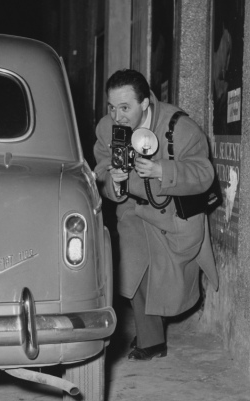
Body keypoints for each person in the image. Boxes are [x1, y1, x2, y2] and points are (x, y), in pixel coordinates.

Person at [93, 69, 218, 361]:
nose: (117, 116)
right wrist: (114, 180)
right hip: (134, 213)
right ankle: (152, 341)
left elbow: (204, 173)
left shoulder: (180, 128)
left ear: (145, 103)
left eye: (125, 108)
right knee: (134, 270)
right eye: (112, 107)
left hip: (173, 219)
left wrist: (162, 170)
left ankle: (152, 330)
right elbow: (99, 169)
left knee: (165, 286)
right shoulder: (107, 129)